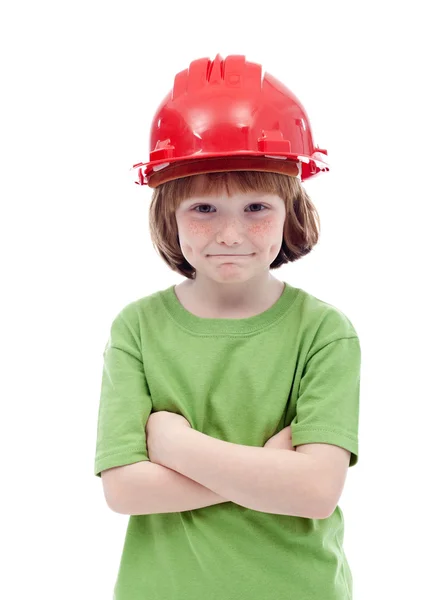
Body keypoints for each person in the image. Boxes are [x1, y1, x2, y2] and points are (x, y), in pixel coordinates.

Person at [94, 54, 361, 600]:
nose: (231, 234)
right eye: (204, 209)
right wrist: (269, 472)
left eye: (256, 206)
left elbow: (314, 492)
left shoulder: (324, 333)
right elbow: (124, 490)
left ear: (292, 209)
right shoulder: (137, 329)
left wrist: (174, 442)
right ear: (168, 213)